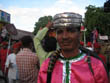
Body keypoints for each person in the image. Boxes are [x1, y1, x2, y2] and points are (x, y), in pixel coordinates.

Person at [37, 12, 108, 83]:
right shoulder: (46, 65)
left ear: (79, 35)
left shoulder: (96, 65)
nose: (64, 36)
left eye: (70, 31)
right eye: (60, 32)